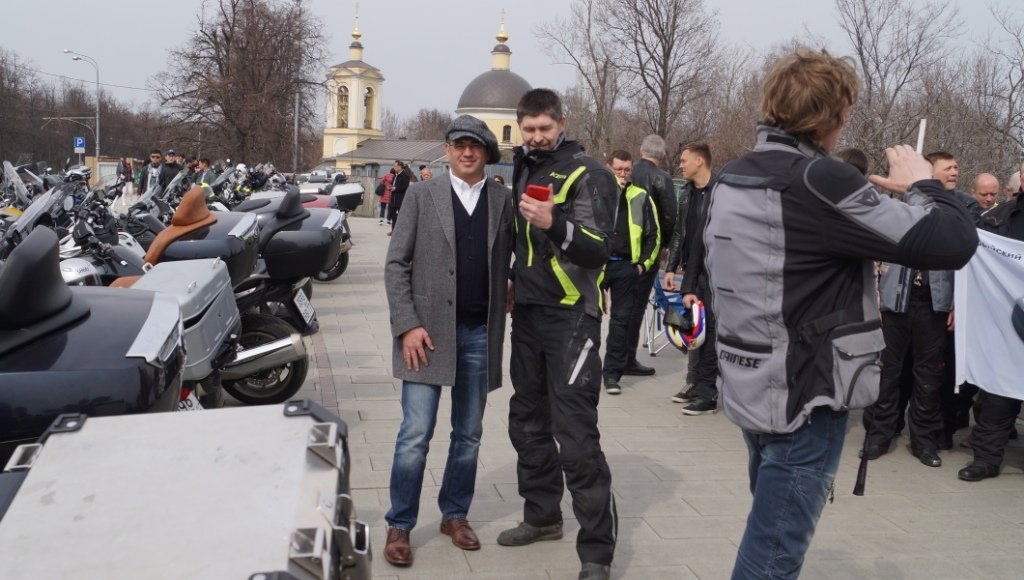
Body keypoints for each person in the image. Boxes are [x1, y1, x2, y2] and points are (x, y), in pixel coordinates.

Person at [692, 49, 976, 579]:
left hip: (752, 385)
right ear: (835, 116)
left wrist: (889, 196)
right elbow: (953, 242)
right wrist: (924, 185)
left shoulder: (733, 175)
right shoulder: (819, 179)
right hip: (807, 398)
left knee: (767, 527)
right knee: (772, 556)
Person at [498, 88, 618, 580]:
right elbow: (524, 244)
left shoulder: (590, 173)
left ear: (562, 123)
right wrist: (513, 276)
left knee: (576, 436)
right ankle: (542, 516)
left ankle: (596, 554)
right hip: (528, 314)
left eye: (544, 128)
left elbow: (600, 247)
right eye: (528, 129)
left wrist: (555, 223)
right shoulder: (523, 168)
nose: (536, 136)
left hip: (572, 318)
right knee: (526, 421)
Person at [382, 116, 513, 566]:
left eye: (475, 146)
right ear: (447, 150)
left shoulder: (502, 200)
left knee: (469, 434)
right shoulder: (422, 195)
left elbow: (517, 255)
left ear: (487, 152)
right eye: (459, 145)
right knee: (415, 434)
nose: (467, 152)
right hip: (426, 335)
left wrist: (513, 282)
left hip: (478, 334)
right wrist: (407, 324)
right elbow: (396, 264)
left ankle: (454, 514)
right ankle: (400, 523)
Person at [959, 161, 1024, 481]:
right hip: (1006, 323)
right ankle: (985, 459)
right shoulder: (997, 218)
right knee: (998, 396)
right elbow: (975, 262)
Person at [665, 143, 719, 415]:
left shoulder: (721, 192)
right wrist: (671, 267)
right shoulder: (686, 193)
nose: (680, 165)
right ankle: (695, 383)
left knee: (709, 333)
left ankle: (708, 391)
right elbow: (680, 233)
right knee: (696, 329)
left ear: (700, 161)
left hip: (715, 272)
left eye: (684, 160)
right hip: (693, 269)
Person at [601, 150, 660, 395]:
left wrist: (642, 265)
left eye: (627, 170)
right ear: (609, 167)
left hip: (627, 267)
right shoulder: (598, 192)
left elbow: (653, 236)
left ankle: (612, 375)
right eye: (618, 169)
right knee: (586, 318)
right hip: (598, 265)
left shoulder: (642, 196)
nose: (623, 174)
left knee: (621, 322)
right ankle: (582, 370)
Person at [623, 134, 678, 376]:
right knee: (636, 307)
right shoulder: (662, 178)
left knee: (621, 307)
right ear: (663, 156)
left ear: (640, 150)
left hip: (622, 249)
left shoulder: (627, 173)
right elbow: (670, 217)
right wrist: (663, 245)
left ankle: (617, 355)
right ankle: (626, 358)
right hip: (647, 251)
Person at [388, 160, 412, 235]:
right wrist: (390, 187)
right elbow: (393, 184)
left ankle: (401, 232)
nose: (394, 167)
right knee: (393, 216)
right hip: (393, 199)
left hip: (400, 199)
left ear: (400, 167)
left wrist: (396, 188)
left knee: (401, 217)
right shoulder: (395, 175)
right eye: (394, 166)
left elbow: (405, 187)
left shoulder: (405, 175)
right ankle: (393, 231)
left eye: (395, 166)